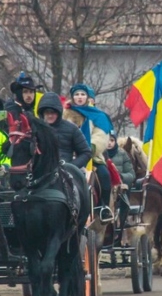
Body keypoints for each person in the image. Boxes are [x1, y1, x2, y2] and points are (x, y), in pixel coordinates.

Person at [65, 83, 114, 221]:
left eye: (82, 94)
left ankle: (103, 208)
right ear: (72, 97)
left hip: (92, 156)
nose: (79, 97)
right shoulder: (64, 114)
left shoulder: (97, 115)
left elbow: (101, 135)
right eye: (76, 94)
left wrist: (89, 148)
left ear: (87, 97)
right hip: (68, 156)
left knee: (104, 176)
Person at [38, 92, 91, 168]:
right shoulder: (35, 129)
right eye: (47, 112)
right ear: (42, 114)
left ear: (58, 112)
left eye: (53, 112)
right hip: (40, 170)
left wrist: (71, 166)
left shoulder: (72, 129)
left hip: (65, 171)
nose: (50, 115)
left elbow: (86, 153)